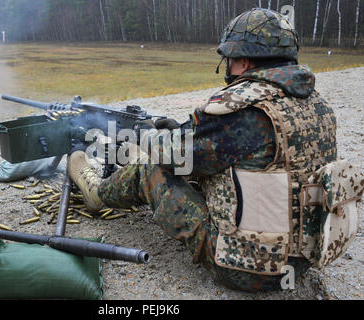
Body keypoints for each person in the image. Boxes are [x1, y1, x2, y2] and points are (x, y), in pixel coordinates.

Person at [68, 8, 361, 292]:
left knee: (149, 169)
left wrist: (148, 140)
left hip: (246, 270)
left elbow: (180, 158)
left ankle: (96, 193)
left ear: (244, 61)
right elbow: (243, 156)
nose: (228, 68)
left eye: (229, 60)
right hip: (302, 263)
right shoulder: (318, 105)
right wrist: (182, 133)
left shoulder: (246, 110)